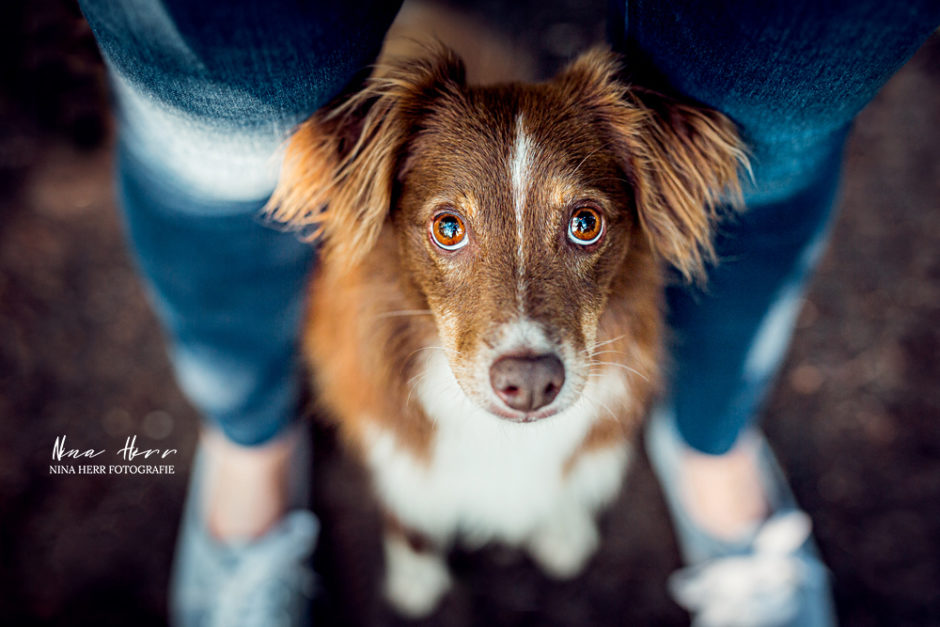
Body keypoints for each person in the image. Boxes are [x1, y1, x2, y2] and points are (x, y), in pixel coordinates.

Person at [76, 1, 940, 625]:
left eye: (585, 221)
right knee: (226, 99)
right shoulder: (377, 216)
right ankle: (256, 448)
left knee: (780, 88)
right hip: (388, 363)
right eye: (450, 227)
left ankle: (709, 445)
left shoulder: (635, 222)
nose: (522, 342)